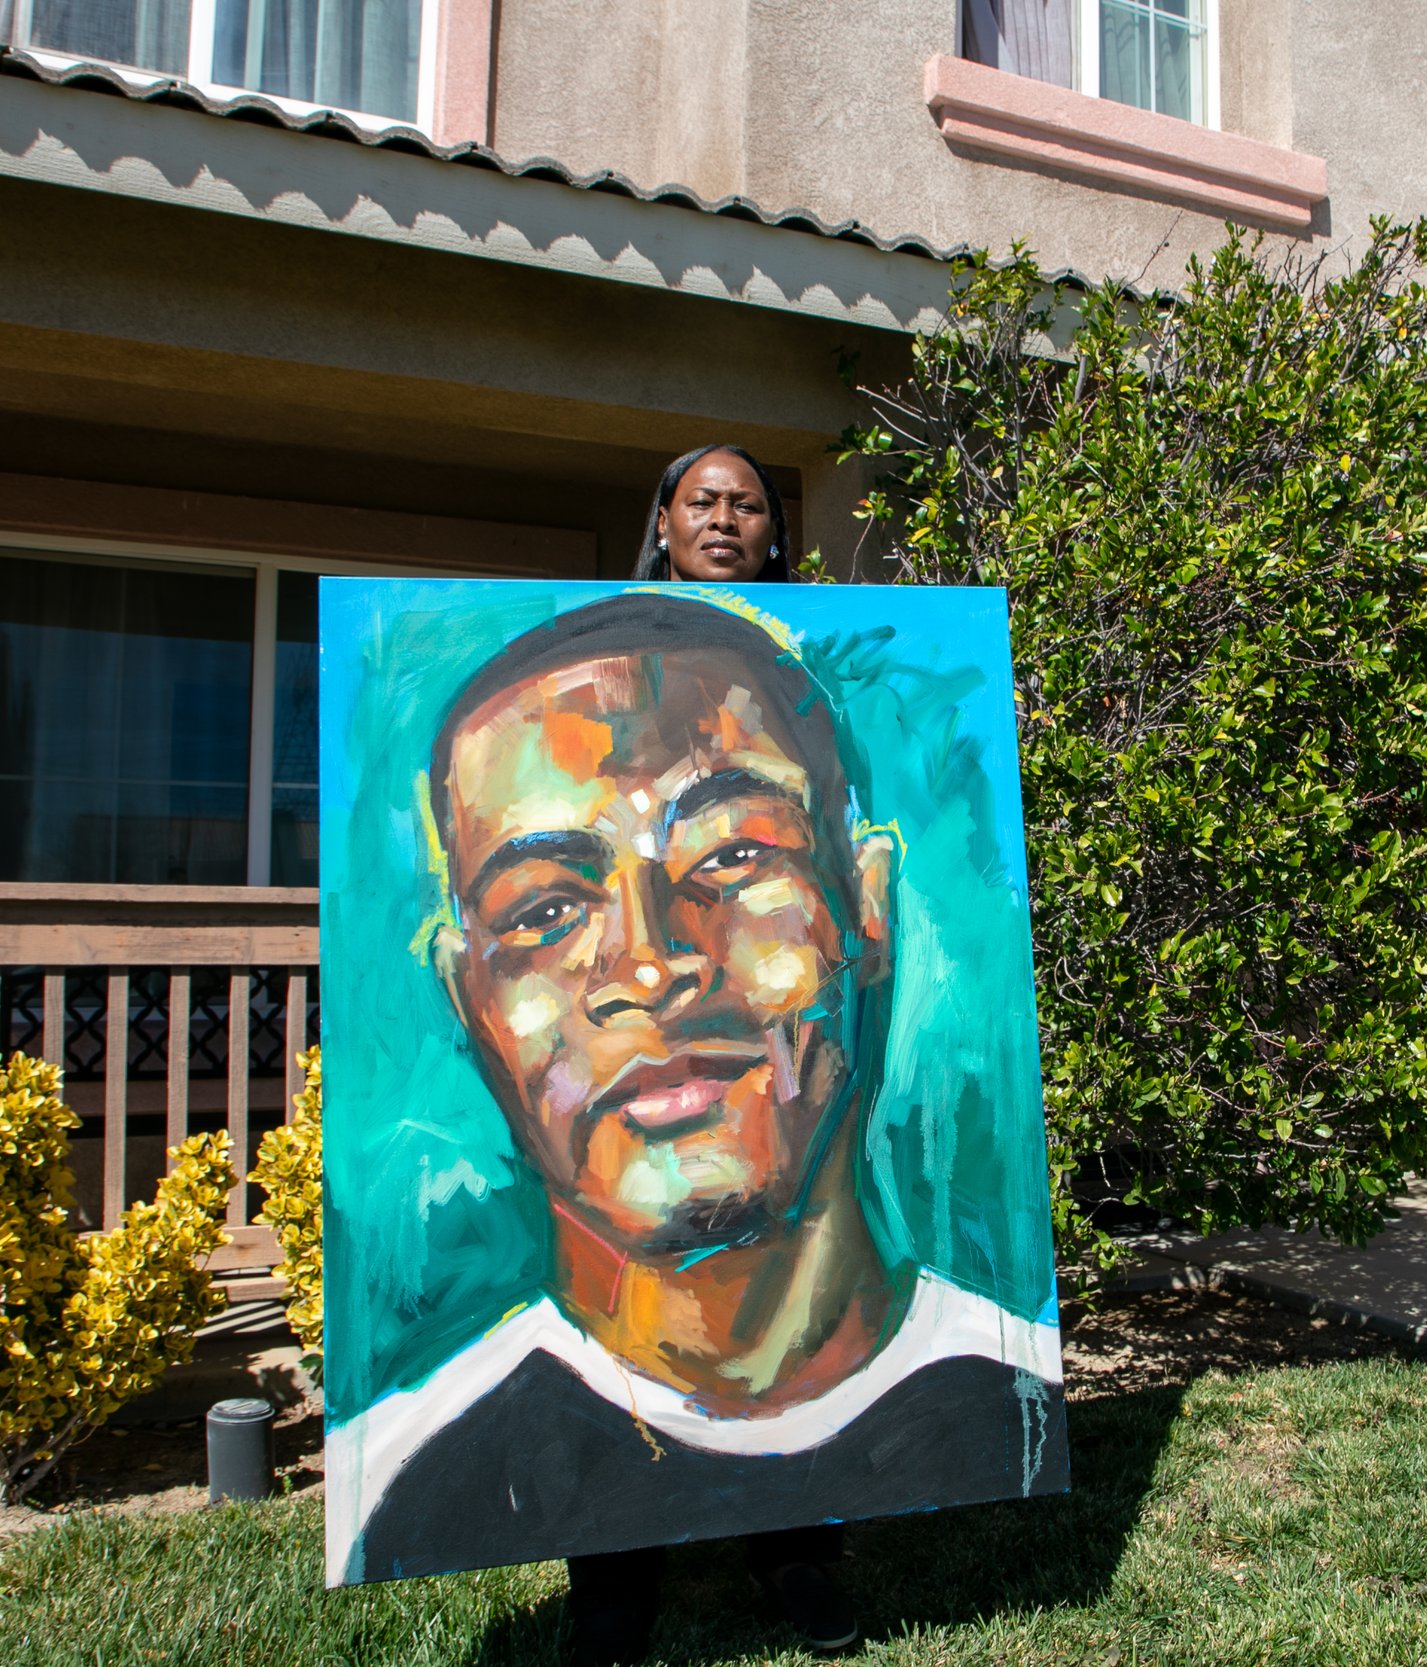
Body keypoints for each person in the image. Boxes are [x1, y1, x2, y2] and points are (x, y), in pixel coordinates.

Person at [325, 447, 1065, 1663]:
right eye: (543, 907)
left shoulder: (1008, 1387)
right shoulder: (404, 1470)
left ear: (862, 904)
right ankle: (610, 1588)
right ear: (469, 997)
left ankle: (802, 1558)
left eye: (731, 854)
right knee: (608, 1549)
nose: (650, 963)